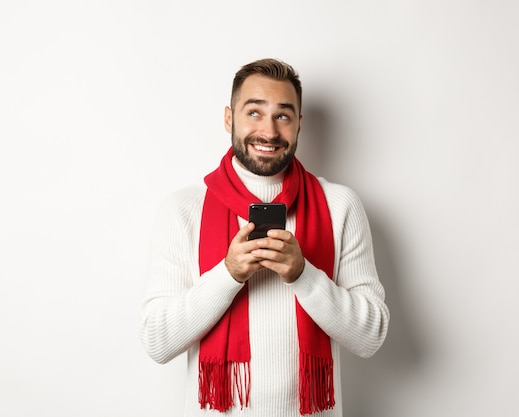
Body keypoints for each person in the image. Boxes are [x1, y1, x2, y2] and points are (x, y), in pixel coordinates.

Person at [140, 58, 389, 417]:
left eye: (283, 116)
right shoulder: (183, 208)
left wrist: (303, 275)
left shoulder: (340, 205)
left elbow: (371, 337)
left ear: (299, 124)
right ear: (229, 118)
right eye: (254, 113)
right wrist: (228, 274)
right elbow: (157, 341)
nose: (269, 132)